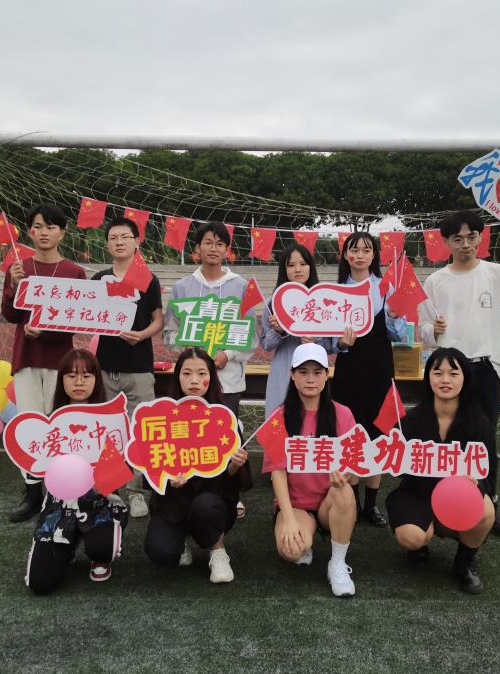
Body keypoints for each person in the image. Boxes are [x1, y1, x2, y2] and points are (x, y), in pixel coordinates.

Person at [418, 211, 500, 538]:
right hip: (448, 372)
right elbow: (423, 331)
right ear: (446, 242)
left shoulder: (497, 273)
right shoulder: (435, 281)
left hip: (485, 369)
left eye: (471, 237)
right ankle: (438, 504)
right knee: (443, 438)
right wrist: (434, 330)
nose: (465, 244)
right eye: (457, 239)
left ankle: (488, 504)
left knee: (485, 439)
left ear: (480, 237)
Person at [164, 222, 258, 519]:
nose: (213, 248)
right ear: (198, 248)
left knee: (226, 436)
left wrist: (227, 354)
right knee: (191, 436)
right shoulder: (182, 287)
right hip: (192, 381)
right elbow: (169, 332)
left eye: (219, 243)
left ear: (226, 249)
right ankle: (189, 486)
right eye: (207, 242)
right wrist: (192, 354)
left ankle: (231, 492)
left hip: (227, 380)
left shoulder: (242, 286)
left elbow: (251, 334)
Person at [386, 347, 496, 594]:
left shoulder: (480, 424)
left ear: (465, 379)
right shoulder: (411, 422)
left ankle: (465, 562)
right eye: (438, 373)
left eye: (453, 373)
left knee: (486, 509)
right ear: (428, 378)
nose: (445, 380)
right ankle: (419, 544)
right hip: (418, 494)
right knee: (411, 536)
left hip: (457, 497)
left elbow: (489, 475)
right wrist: (394, 455)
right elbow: (396, 470)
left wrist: (476, 484)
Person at [2, 204, 86, 523]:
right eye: (38, 226)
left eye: (51, 227)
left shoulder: (74, 272)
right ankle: (32, 493)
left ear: (62, 233)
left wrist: (46, 330)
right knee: (30, 424)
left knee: (61, 423)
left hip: (60, 360)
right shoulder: (19, 268)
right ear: (30, 231)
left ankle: (61, 490)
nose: (44, 232)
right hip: (26, 358)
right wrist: (13, 285)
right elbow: (10, 315)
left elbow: (77, 320)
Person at [24, 349, 129, 594]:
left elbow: (119, 477)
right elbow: (34, 469)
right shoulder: (48, 423)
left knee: (103, 548)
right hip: (60, 505)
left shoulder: (111, 421)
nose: (79, 382)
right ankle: (67, 545)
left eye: (86, 376)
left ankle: (100, 556)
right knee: (41, 583)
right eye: (71, 376)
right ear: (61, 380)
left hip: (99, 501)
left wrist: (102, 482)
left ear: (96, 380)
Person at [143, 347, 252, 583]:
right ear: (177, 377)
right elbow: (149, 469)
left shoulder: (223, 417)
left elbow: (234, 480)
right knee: (161, 552)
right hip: (173, 502)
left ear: (211, 377)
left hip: (211, 502)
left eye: (201, 373)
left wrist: (236, 464)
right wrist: (168, 479)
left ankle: (217, 549)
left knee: (206, 506)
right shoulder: (160, 417)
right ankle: (180, 542)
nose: (194, 380)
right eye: (187, 373)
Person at [263, 343, 359, 597]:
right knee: (291, 550)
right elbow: (277, 472)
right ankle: (305, 539)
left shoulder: (343, 414)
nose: (310, 379)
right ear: (292, 375)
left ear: (326, 375)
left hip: (330, 501)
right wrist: (288, 518)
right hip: (297, 505)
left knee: (345, 492)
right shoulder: (278, 417)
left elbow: (356, 470)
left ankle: (337, 563)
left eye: (317, 372)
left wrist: (345, 477)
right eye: (303, 372)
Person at [331, 231, 408, 528]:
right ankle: (350, 500)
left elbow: (399, 335)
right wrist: (341, 343)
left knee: (378, 433)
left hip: (379, 370)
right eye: (354, 250)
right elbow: (331, 340)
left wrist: (393, 316)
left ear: (374, 255)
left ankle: (371, 505)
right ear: (345, 255)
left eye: (366, 250)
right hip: (349, 371)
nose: (360, 255)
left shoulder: (386, 288)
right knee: (350, 433)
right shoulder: (336, 291)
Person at [90, 216, 164, 519]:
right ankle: (110, 490)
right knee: (108, 432)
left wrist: (142, 335)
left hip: (139, 367)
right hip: (105, 366)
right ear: (107, 244)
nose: (119, 242)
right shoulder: (99, 279)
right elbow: (87, 315)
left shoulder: (147, 278)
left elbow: (158, 319)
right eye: (113, 238)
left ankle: (136, 492)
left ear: (137, 241)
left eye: (125, 237)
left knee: (139, 431)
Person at [261, 243, 338, 418]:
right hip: (284, 367)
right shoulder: (273, 303)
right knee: (280, 418)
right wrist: (280, 331)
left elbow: (330, 346)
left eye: (303, 264)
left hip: (314, 368)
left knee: (314, 419)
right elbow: (266, 344)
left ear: (311, 267)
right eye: (291, 265)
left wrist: (314, 341)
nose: (298, 269)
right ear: (284, 269)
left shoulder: (324, 302)